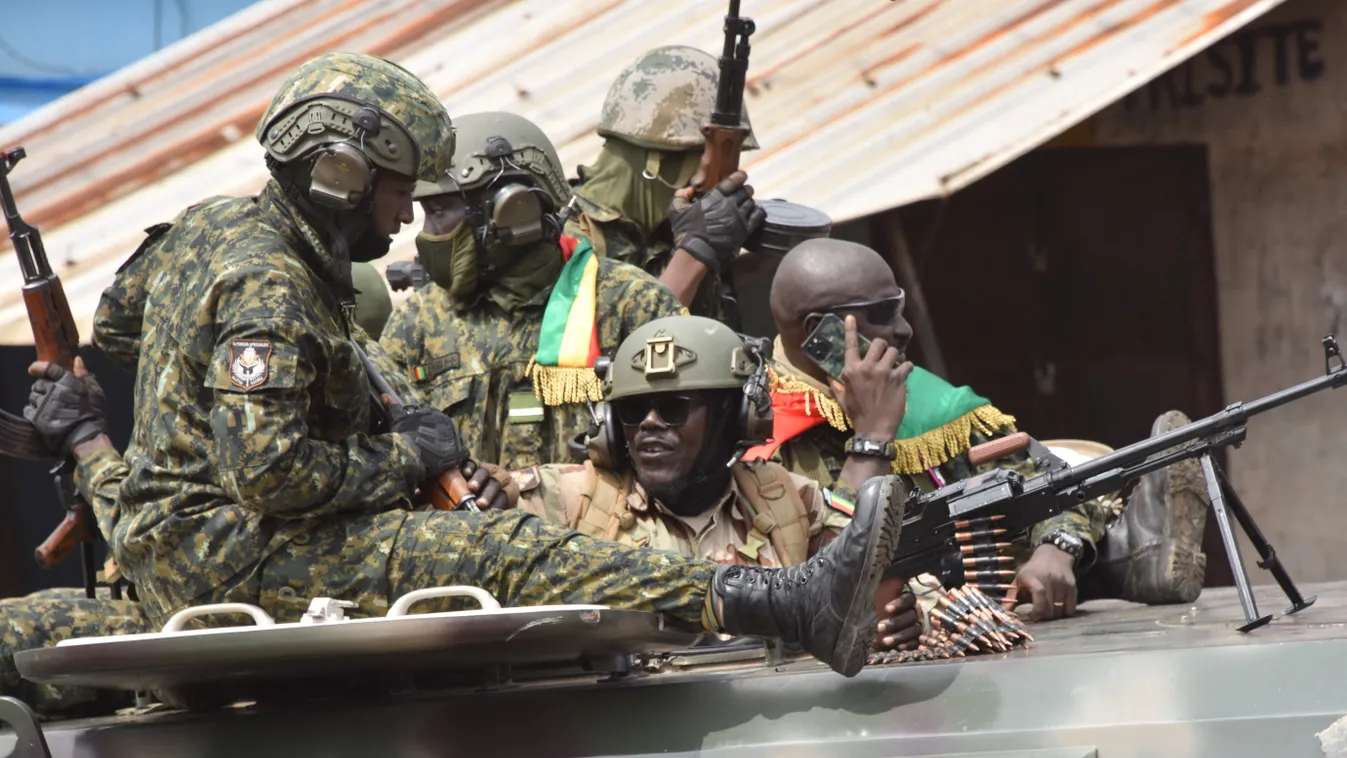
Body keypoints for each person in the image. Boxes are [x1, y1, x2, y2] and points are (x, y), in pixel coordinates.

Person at [30, 52, 905, 680]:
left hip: (177, 540)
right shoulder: (272, 281)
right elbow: (270, 474)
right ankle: (782, 605)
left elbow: (119, 322)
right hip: (232, 553)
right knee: (508, 553)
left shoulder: (211, 226)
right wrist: (409, 452)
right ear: (338, 176)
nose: (409, 216)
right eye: (399, 187)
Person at [752, 238, 1209, 621]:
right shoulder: (758, 429)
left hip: (992, 611)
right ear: (820, 330)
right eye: (882, 312)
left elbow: (1051, 480)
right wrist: (872, 439)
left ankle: (1130, 559)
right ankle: (1130, 558)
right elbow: (824, 575)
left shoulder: (923, 398)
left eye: (901, 308)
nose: (904, 328)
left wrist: (1058, 546)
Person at [516, 315, 921, 651]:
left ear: (737, 416)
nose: (649, 424)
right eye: (633, 410)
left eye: (674, 409)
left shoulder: (788, 503)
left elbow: (877, 585)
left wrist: (900, 619)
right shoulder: (567, 500)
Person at [380, 111, 685, 472]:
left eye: (440, 212)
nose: (428, 233)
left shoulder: (634, 305)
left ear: (513, 209)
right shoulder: (416, 326)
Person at [566, 45, 765, 324]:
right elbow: (629, 358)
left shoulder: (676, 234)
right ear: (657, 161)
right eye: (712, 162)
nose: (721, 183)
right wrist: (695, 253)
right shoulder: (561, 244)